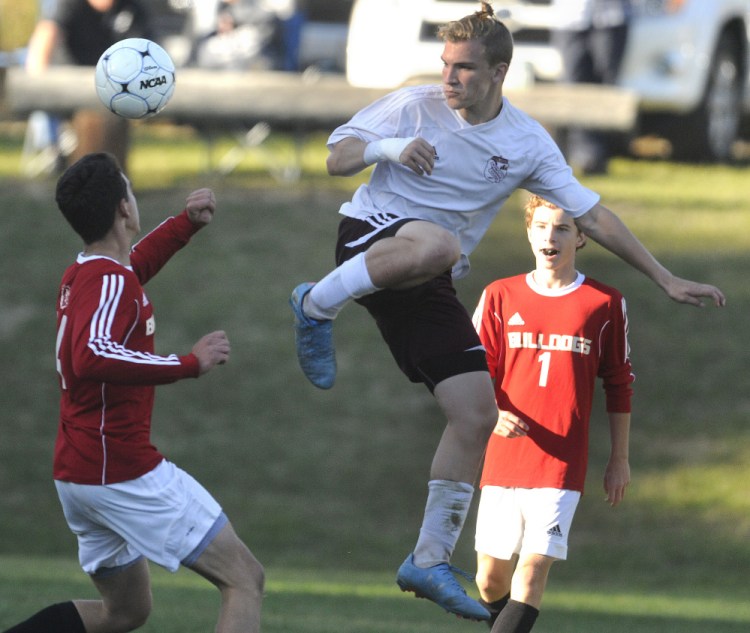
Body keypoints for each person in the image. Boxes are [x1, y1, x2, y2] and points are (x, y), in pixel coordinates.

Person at [288, 1, 724, 622]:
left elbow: (594, 216)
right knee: (437, 242)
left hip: (430, 274)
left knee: (476, 414)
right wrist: (388, 146)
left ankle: (429, 556)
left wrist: (664, 277)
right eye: (445, 65)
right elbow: (336, 157)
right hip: (370, 236)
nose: (448, 79)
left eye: (463, 68)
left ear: (499, 72)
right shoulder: (414, 106)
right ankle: (314, 303)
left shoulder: (526, 143)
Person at [2, 153, 264, 633]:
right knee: (244, 579)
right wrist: (189, 363)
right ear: (124, 207)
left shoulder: (92, 271)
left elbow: (131, 267)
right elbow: (91, 354)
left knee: (125, 611)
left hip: (81, 472)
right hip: (119, 471)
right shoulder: (107, 281)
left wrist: (184, 225)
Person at [471, 194, 633, 632]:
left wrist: (619, 458)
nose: (550, 236)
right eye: (542, 226)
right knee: (489, 580)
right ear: (528, 233)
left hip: (561, 462)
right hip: (504, 455)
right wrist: (491, 412)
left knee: (532, 569)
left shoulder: (603, 303)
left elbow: (619, 383)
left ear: (581, 238)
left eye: (562, 228)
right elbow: (471, 372)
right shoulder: (499, 296)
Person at [24, 0, 156, 172]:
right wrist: (37, 84)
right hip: (69, 85)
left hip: (113, 89)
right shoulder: (68, 4)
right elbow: (45, 37)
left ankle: (110, 174)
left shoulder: (132, 7)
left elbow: (148, 53)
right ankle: (58, 148)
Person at [551, 0, 631, 175]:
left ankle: (596, 156)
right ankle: (575, 153)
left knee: (605, 89)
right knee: (571, 87)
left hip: (611, 17)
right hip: (570, 18)